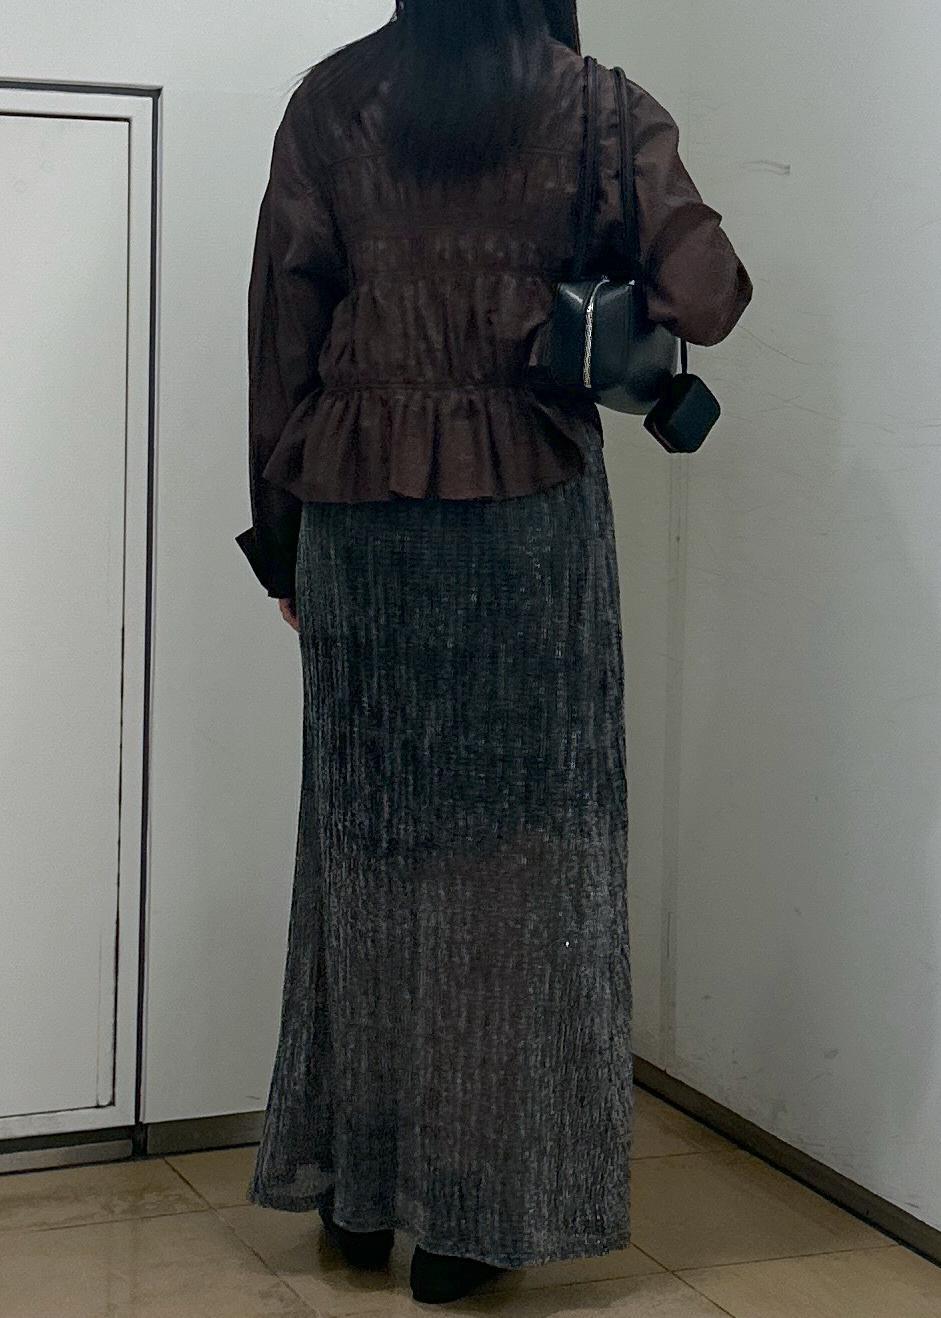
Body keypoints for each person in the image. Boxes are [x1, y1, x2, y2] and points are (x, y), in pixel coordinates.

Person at [236, 0, 752, 1305]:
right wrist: (571, 301)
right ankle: (471, 1222)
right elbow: (708, 292)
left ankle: (358, 1196)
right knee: (521, 869)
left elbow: (281, 333)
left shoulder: (333, 99)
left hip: (359, 519)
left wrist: (284, 543)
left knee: (366, 853)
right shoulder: (595, 103)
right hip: (527, 521)